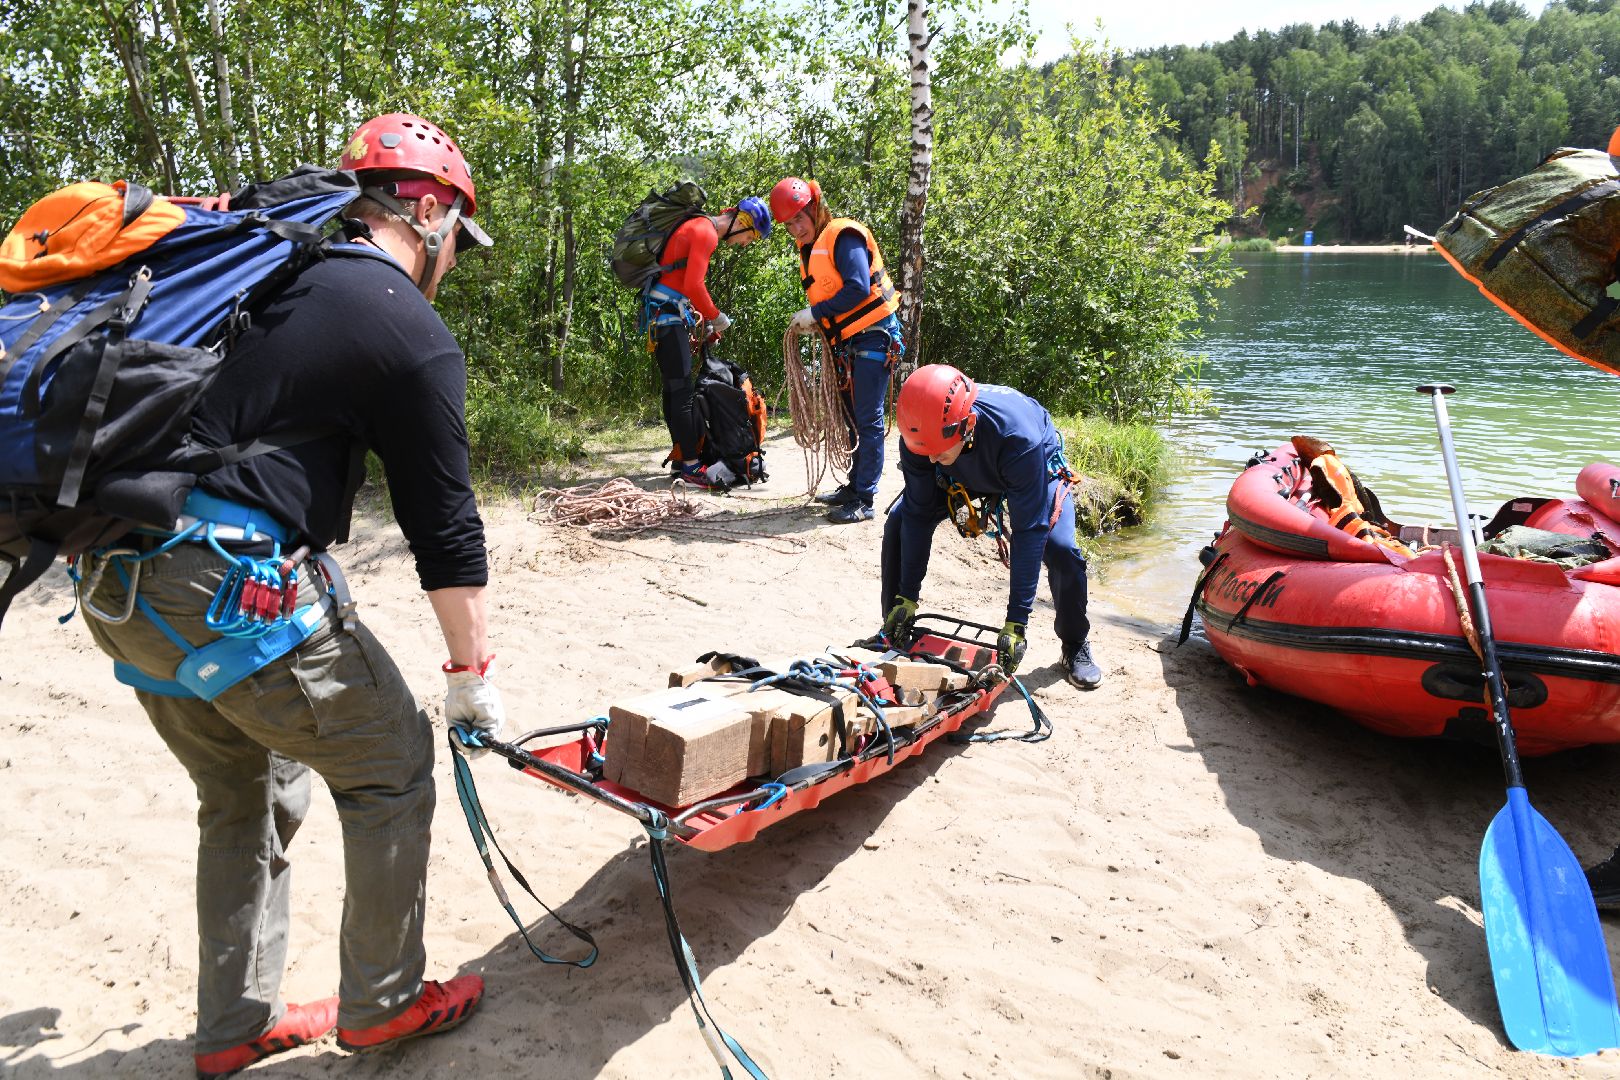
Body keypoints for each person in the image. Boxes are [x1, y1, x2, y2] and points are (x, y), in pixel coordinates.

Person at [72, 112, 500, 1078]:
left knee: (246, 793)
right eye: (456, 242)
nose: (454, 264)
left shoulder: (264, 269)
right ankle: (385, 1005)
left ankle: (233, 1030)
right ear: (428, 213)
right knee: (390, 761)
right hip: (219, 587)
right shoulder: (408, 326)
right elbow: (447, 530)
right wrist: (471, 673)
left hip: (111, 574)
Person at [878, 364, 1103, 689]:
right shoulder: (922, 439)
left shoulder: (1017, 437)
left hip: (1030, 467)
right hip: (960, 469)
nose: (926, 460)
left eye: (935, 452)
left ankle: (1074, 644)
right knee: (898, 522)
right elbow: (917, 512)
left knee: (1060, 548)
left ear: (967, 426)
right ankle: (896, 625)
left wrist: (1016, 623)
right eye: (921, 452)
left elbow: (1029, 531)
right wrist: (908, 595)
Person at [770, 176, 904, 523]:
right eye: (788, 224)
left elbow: (859, 288)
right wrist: (819, 321)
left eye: (799, 218)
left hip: (874, 336)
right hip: (848, 341)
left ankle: (864, 498)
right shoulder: (813, 247)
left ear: (814, 208)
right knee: (849, 417)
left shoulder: (842, 236)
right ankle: (853, 486)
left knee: (867, 418)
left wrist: (815, 312)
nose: (795, 229)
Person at [643, 196, 771, 486]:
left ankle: (681, 457)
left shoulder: (698, 227)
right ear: (740, 223)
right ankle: (690, 464)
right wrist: (716, 316)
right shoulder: (705, 232)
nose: (745, 243)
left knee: (674, 390)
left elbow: (681, 282)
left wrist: (702, 318)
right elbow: (693, 285)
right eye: (749, 237)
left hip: (664, 315)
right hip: (667, 317)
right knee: (682, 393)